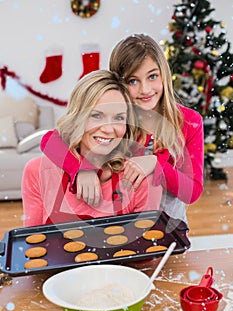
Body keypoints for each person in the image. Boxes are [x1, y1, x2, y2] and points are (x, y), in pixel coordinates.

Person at [40, 34, 204, 223]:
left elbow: (192, 192)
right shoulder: (117, 119)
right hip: (122, 227)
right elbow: (49, 140)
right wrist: (82, 169)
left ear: (164, 75)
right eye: (133, 81)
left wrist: (156, 165)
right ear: (119, 83)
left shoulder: (189, 122)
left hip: (169, 230)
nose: (145, 89)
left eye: (152, 76)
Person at [22, 70, 162, 227]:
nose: (109, 129)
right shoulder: (38, 172)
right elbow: (32, 243)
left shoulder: (139, 180)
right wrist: (82, 168)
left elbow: (145, 248)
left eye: (119, 118)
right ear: (77, 118)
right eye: (96, 115)